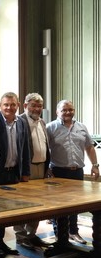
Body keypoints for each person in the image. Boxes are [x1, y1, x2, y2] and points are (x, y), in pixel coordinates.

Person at [47, 99, 100, 244]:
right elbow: (45, 149)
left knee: (76, 204)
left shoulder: (81, 127)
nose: (67, 112)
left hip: (77, 171)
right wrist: (47, 168)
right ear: (57, 112)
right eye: (64, 110)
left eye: (70, 109)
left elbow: (89, 147)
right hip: (58, 171)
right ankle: (60, 236)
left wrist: (95, 165)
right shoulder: (50, 127)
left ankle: (73, 232)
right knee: (59, 205)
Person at [0, 92, 30, 257]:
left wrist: (25, 172)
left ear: (18, 105)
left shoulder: (22, 122)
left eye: (12, 104)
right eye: (6, 105)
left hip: (14, 173)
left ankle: (0, 243)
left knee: (4, 213)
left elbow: (25, 148)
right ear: (0, 106)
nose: (9, 108)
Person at [15, 93, 51, 249]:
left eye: (39, 106)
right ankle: (21, 236)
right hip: (26, 169)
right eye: (33, 105)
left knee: (37, 204)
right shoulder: (19, 121)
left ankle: (31, 234)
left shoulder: (42, 122)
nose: (37, 109)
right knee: (21, 204)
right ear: (25, 106)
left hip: (41, 168)